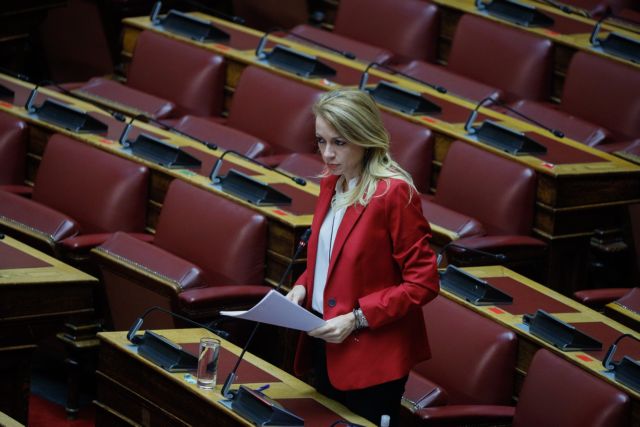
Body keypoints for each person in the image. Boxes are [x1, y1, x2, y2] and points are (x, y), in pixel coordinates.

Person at [286, 89, 439, 426]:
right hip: (324, 338)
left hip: (371, 355)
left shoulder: (393, 194)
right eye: (321, 141)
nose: (327, 153)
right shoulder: (332, 181)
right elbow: (332, 256)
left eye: (339, 143)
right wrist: (303, 285)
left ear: (365, 138)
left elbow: (423, 283)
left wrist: (357, 318)